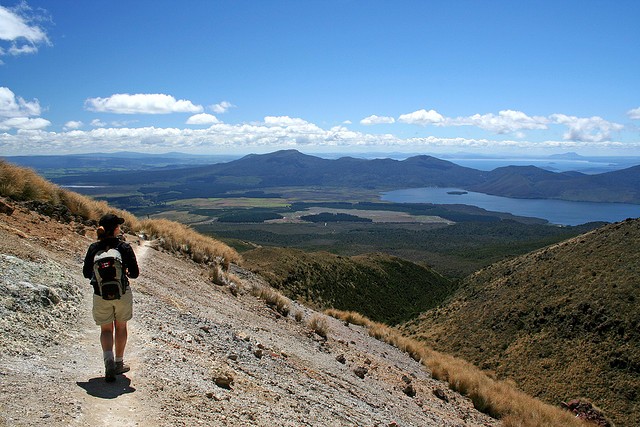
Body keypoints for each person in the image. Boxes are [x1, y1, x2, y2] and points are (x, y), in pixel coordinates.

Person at [83, 213, 139, 382]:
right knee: (121, 327)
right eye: (118, 226)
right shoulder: (124, 247)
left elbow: (86, 273)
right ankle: (119, 363)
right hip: (121, 293)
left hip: (100, 294)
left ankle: (108, 361)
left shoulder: (93, 248)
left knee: (106, 330)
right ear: (115, 229)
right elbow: (135, 273)